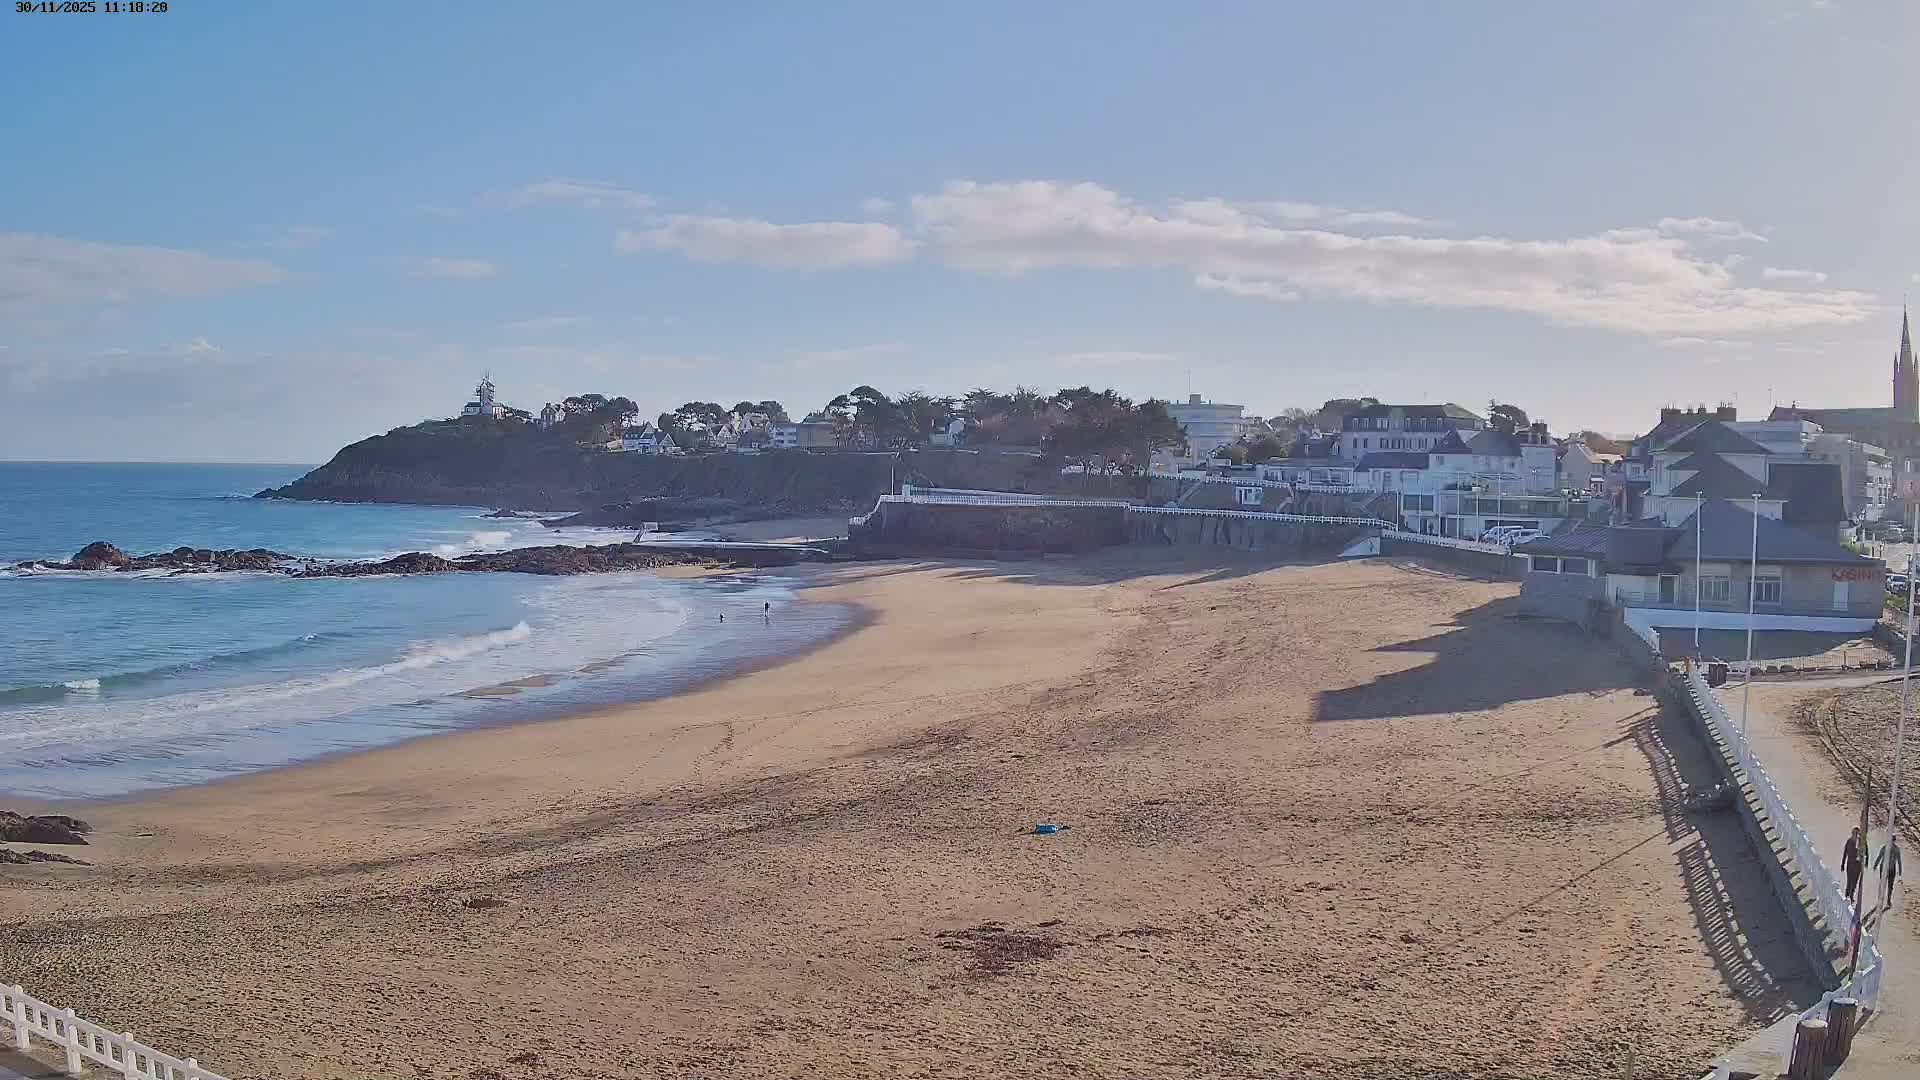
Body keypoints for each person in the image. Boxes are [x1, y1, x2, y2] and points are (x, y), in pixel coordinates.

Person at [1875, 836, 1904, 910]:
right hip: (1884, 868)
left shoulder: (1895, 849)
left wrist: (1900, 870)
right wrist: (1876, 864)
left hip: (1890, 869)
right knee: (1883, 885)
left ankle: (1887, 900)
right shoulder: (1886, 848)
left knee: (1889, 886)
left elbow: (1899, 860)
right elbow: (1880, 856)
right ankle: (1881, 899)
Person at [1843, 826, 1865, 905]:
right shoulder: (1849, 841)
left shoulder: (1861, 842)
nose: (1855, 834)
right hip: (1850, 864)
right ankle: (1847, 896)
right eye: (1854, 833)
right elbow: (1845, 852)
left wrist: (1865, 861)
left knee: (1855, 882)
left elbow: (1866, 852)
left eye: (1857, 833)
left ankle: (1851, 896)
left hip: (1858, 865)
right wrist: (1843, 863)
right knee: (1849, 881)